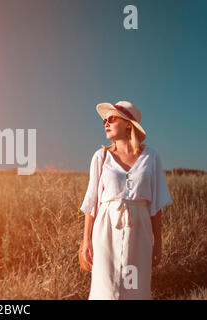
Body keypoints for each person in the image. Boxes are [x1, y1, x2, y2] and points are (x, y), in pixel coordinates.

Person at [80, 101, 173, 300]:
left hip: (140, 231)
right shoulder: (100, 156)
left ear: (129, 124)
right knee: (105, 289)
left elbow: (155, 206)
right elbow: (92, 203)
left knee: (136, 288)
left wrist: (158, 244)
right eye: (104, 120)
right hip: (105, 230)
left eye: (112, 118)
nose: (106, 123)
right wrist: (86, 240)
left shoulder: (151, 157)